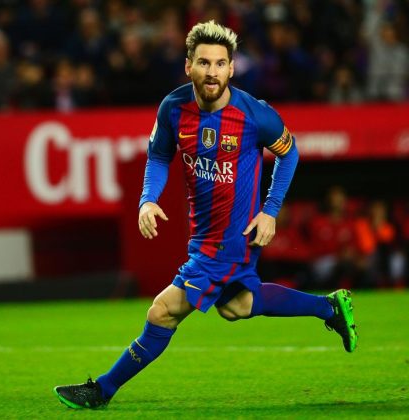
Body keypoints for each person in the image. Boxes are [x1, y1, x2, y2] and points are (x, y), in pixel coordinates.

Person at [54, 20, 358, 410]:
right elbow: (159, 155)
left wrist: (270, 211)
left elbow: (289, 152)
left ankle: (102, 390)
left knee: (163, 311)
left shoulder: (254, 114)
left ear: (231, 68)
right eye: (203, 63)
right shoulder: (173, 108)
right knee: (236, 307)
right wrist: (148, 199)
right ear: (188, 66)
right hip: (203, 234)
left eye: (219, 63)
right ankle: (328, 307)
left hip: (232, 237)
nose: (212, 71)